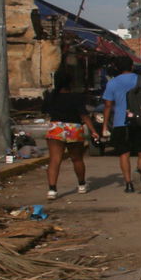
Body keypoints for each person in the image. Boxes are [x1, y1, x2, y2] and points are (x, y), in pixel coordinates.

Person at [100, 58, 141, 192]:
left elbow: (108, 105)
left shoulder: (112, 83)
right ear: (132, 67)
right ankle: (138, 171)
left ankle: (128, 184)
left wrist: (104, 126)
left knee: (124, 154)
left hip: (120, 122)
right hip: (140, 121)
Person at [42, 67, 95, 200]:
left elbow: (44, 111)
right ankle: (81, 185)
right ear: (70, 82)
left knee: (55, 160)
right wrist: (93, 131)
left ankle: (52, 190)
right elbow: (84, 115)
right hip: (74, 128)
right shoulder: (76, 97)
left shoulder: (50, 96)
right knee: (77, 158)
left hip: (56, 128)